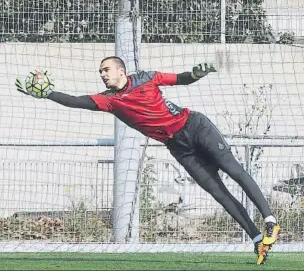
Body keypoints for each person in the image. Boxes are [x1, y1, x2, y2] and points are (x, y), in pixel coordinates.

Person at [15, 56, 280, 264]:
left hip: (195, 127)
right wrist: (45, 93)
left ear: (121, 70)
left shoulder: (145, 78)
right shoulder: (109, 100)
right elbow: (75, 101)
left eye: (106, 69)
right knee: (216, 191)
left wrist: (196, 74)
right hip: (178, 146)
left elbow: (180, 79)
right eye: (100, 72)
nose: (103, 74)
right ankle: (257, 238)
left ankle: (270, 221)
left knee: (233, 170)